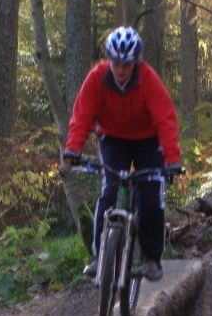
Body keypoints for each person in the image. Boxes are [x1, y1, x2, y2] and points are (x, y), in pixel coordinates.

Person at [62, 26, 181, 281]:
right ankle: (99, 256)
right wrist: (73, 148)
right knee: (109, 189)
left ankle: (151, 259)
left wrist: (172, 160)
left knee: (150, 196)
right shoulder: (97, 78)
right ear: (109, 60)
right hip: (113, 138)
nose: (121, 70)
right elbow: (82, 116)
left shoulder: (148, 79)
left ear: (136, 62)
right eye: (116, 63)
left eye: (126, 65)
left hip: (148, 140)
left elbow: (166, 119)